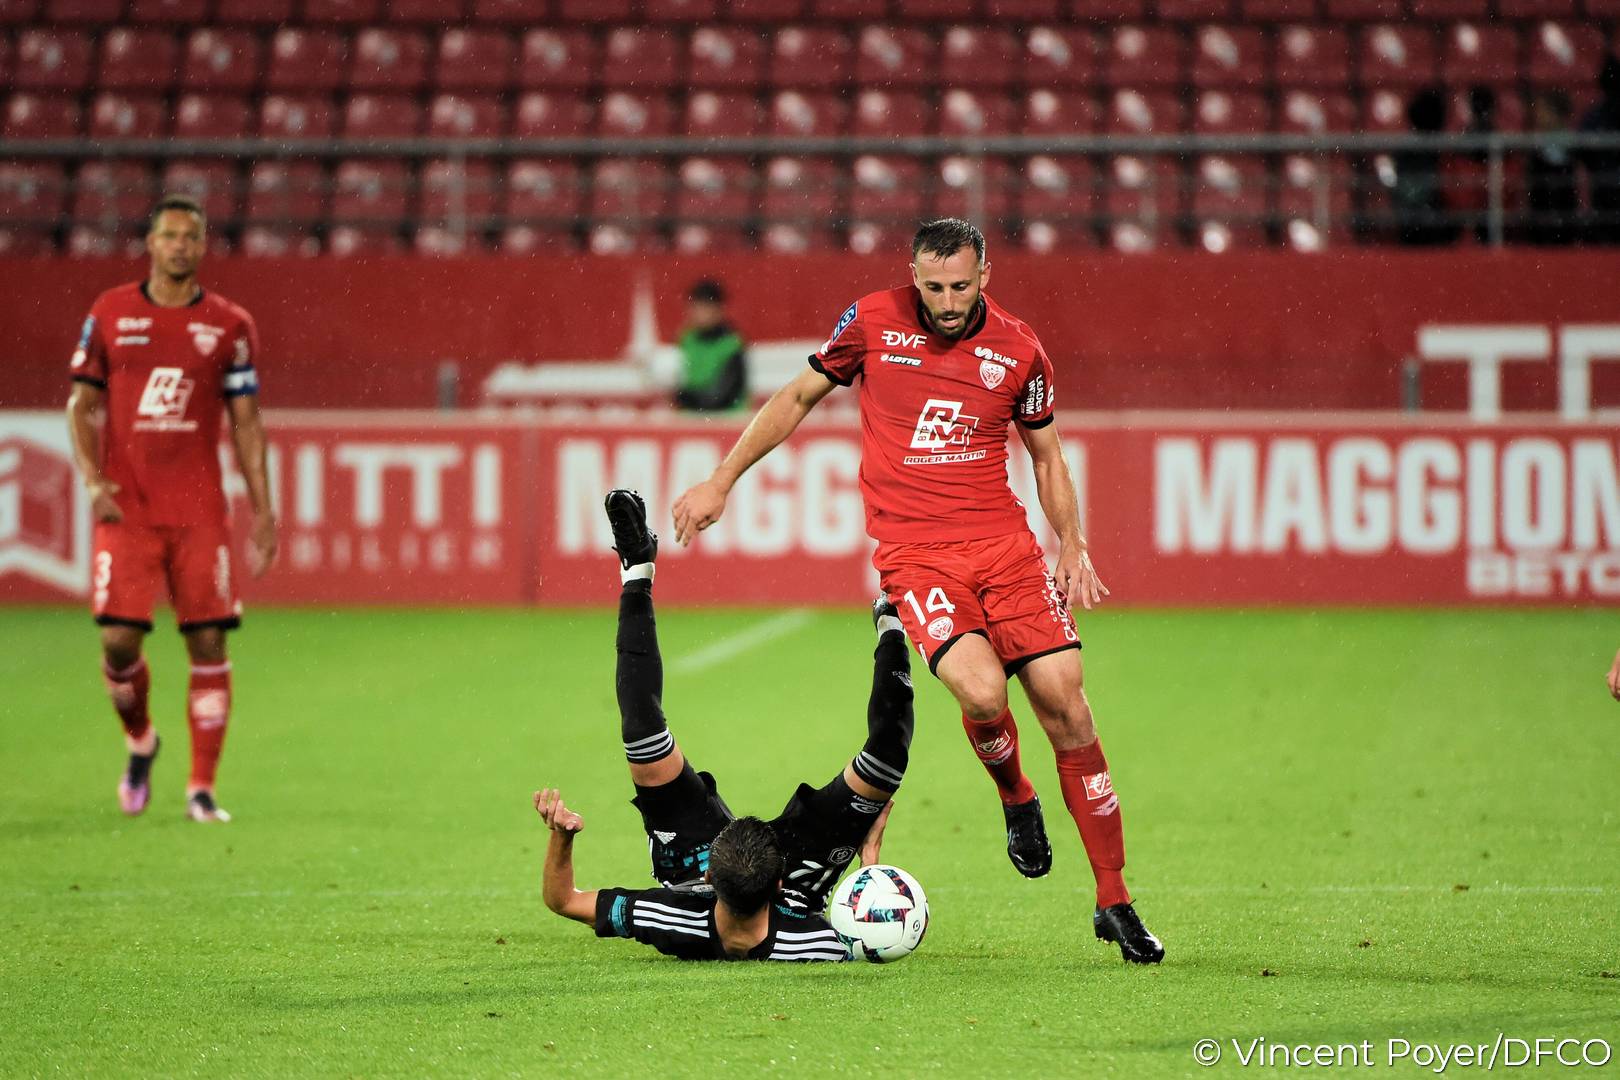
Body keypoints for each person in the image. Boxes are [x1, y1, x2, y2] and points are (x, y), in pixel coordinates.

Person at [671, 219, 1164, 964]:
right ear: (915, 278)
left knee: (1066, 700)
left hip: (1006, 548)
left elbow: (1046, 453)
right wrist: (721, 479)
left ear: (984, 276)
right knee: (982, 694)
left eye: (960, 286)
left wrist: (1073, 543)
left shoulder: (1020, 348)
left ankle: (1114, 900)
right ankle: (1016, 794)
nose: (947, 301)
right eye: (933, 287)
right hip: (917, 557)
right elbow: (798, 395)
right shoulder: (872, 322)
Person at [535, 490, 914, 962]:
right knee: (886, 757)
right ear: (779, 882)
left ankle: (636, 570)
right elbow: (866, 938)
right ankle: (892, 619)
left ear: (708, 878)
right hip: (802, 867)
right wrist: (868, 864)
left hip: (692, 859)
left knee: (642, 732)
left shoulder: (670, 916)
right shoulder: (818, 941)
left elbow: (563, 900)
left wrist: (562, 835)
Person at [65, 194, 277, 824]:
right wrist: (91, 480)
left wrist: (264, 510)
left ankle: (201, 788)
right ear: (150, 243)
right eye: (169, 235)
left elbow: (247, 424)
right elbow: (81, 405)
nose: (180, 245)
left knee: (208, 641)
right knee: (118, 641)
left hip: (200, 511)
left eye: (191, 236)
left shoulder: (230, 325)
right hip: (127, 508)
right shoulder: (109, 313)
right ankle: (140, 739)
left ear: (203, 246)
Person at [672, 279, 748, 412]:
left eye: (705, 308)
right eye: (696, 307)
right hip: (690, 417)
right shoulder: (686, 340)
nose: (700, 314)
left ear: (719, 310)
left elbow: (722, 397)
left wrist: (683, 397)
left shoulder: (732, 345)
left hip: (724, 419)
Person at [1577, 55, 1620, 245]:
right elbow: (1582, 151)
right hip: (1603, 193)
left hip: (1603, 190)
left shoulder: (1594, 117)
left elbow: (1583, 152)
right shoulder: (1595, 116)